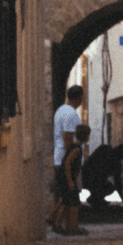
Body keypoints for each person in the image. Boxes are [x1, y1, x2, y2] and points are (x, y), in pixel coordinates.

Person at [48, 84, 84, 229]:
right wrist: (73, 160)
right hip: (66, 158)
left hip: (59, 156)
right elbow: (68, 139)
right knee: (69, 194)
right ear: (79, 98)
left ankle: (54, 219)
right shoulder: (71, 114)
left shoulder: (60, 110)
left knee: (65, 194)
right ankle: (63, 223)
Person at [53, 123, 91, 235]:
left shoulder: (72, 146)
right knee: (72, 203)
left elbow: (64, 159)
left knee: (66, 202)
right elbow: (67, 163)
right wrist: (70, 180)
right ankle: (71, 227)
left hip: (65, 177)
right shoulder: (77, 149)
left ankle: (61, 225)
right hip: (68, 178)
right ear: (86, 136)